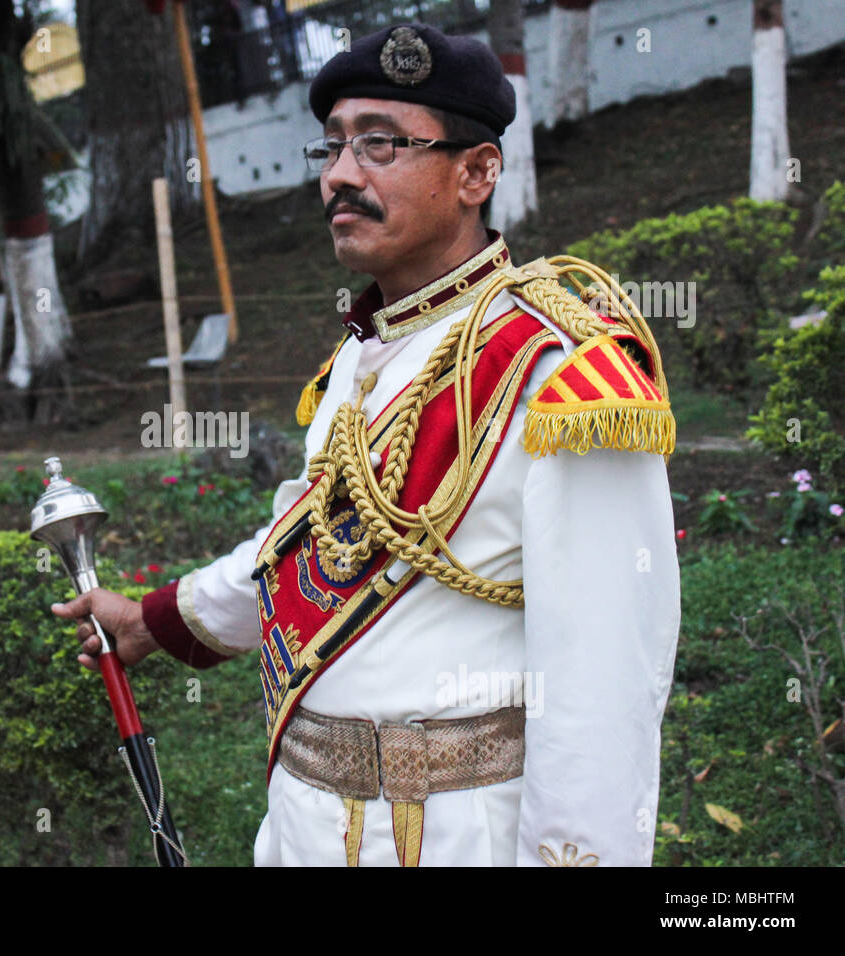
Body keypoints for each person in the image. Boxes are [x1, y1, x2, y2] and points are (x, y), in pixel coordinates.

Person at [53, 23, 681, 867]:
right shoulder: (360, 354)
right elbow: (313, 549)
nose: (341, 175)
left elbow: (606, 681)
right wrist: (156, 621)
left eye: (382, 145)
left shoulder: (556, 371)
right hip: (302, 827)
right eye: (335, 147)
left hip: (459, 835)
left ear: (476, 172)